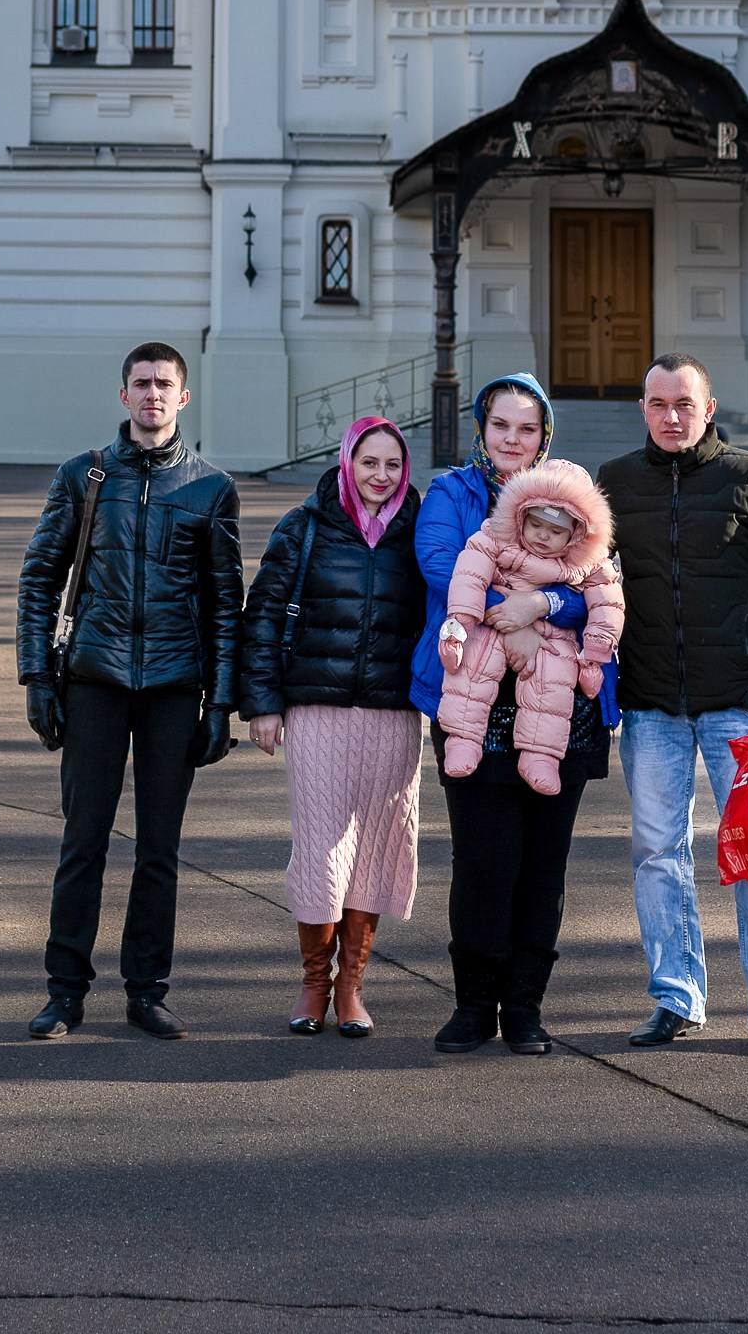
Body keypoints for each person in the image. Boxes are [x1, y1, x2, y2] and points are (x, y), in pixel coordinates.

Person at [15, 340, 241, 1040]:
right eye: (141, 383)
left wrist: (221, 704)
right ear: (124, 397)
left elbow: (224, 605)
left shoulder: (210, 488)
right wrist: (35, 678)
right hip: (95, 682)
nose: (152, 395)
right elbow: (38, 579)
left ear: (184, 397)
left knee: (158, 851)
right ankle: (65, 992)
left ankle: (146, 991)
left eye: (164, 384)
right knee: (82, 842)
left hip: (175, 687)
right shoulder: (85, 477)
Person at [597, 353, 748, 1058]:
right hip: (652, 703)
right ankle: (676, 995)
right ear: (643, 409)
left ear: (709, 409)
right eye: (658, 404)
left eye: (684, 404)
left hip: (741, 703)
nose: (671, 417)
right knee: (658, 853)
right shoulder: (616, 483)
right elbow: (585, 577)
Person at [412, 372, 609, 1056]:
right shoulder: (451, 493)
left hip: (560, 711)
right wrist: (511, 618)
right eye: (502, 426)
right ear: (482, 428)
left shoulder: (571, 494)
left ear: (543, 436)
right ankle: (473, 1006)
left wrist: (544, 607)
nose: (513, 439)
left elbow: (601, 581)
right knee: (484, 860)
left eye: (527, 428)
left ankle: (524, 1007)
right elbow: (440, 565)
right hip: (475, 701)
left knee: (543, 865)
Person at [239, 415, 424, 1038]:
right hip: (317, 710)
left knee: (375, 846)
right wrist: (262, 702)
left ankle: (351, 989)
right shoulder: (305, 525)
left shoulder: (418, 529)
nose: (380, 476)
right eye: (369, 463)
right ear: (348, 462)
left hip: (393, 714)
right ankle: (314, 982)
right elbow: (261, 613)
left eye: (392, 465)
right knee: (320, 848)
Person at [436, 461, 623, 794]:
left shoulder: (589, 562)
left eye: (555, 531)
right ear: (521, 516)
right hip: (492, 624)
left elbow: (607, 604)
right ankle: (463, 738)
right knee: (474, 663)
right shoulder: (495, 536)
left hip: (553, 635)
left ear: (576, 533)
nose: (542, 536)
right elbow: (470, 573)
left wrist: (595, 650)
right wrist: (461, 621)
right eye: (535, 524)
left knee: (553, 678)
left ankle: (540, 756)